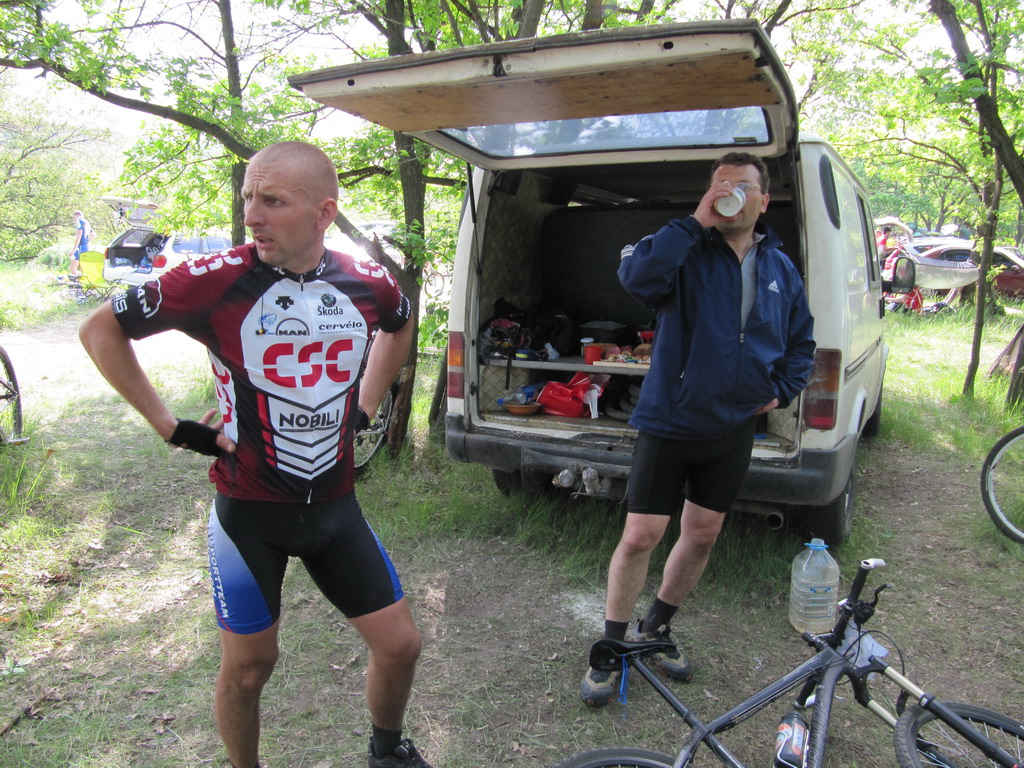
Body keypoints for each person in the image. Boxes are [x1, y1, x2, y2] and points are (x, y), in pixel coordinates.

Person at [79, 141, 431, 768]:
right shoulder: (214, 278)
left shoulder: (366, 280)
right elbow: (100, 328)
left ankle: (387, 752)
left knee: (401, 645)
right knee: (249, 669)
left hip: (335, 508)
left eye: (272, 201)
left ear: (324, 213)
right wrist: (170, 426)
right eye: (248, 198)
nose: (251, 216)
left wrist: (367, 404)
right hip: (249, 512)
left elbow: (400, 323)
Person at [579, 151, 816, 707]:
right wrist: (694, 221)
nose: (729, 192)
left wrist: (783, 387)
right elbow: (636, 276)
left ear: (764, 201)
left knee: (703, 533)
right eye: (720, 184)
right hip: (671, 418)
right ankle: (612, 646)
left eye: (742, 185)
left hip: (732, 425)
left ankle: (656, 627)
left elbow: (801, 339)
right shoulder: (685, 247)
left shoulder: (780, 268)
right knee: (641, 535)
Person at [69, 210, 92, 278]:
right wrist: (87, 239)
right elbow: (94, 235)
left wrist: (73, 249)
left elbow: (79, 236)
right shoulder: (87, 223)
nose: (74, 219)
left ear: (77, 216)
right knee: (82, 268)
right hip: (86, 246)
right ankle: (82, 280)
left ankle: (79, 281)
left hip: (81, 247)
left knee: (73, 267)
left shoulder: (79, 222)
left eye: (74, 217)